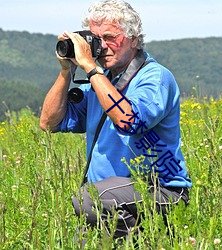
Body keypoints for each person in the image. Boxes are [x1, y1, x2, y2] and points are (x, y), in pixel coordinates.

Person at [40, 0, 192, 245]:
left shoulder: (154, 77)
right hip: (111, 200)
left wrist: (91, 68)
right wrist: (66, 70)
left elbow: (129, 121)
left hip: (161, 192)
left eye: (110, 37)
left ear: (133, 38)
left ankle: (146, 240)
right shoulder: (99, 83)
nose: (102, 47)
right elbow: (49, 123)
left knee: (88, 199)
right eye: (96, 39)